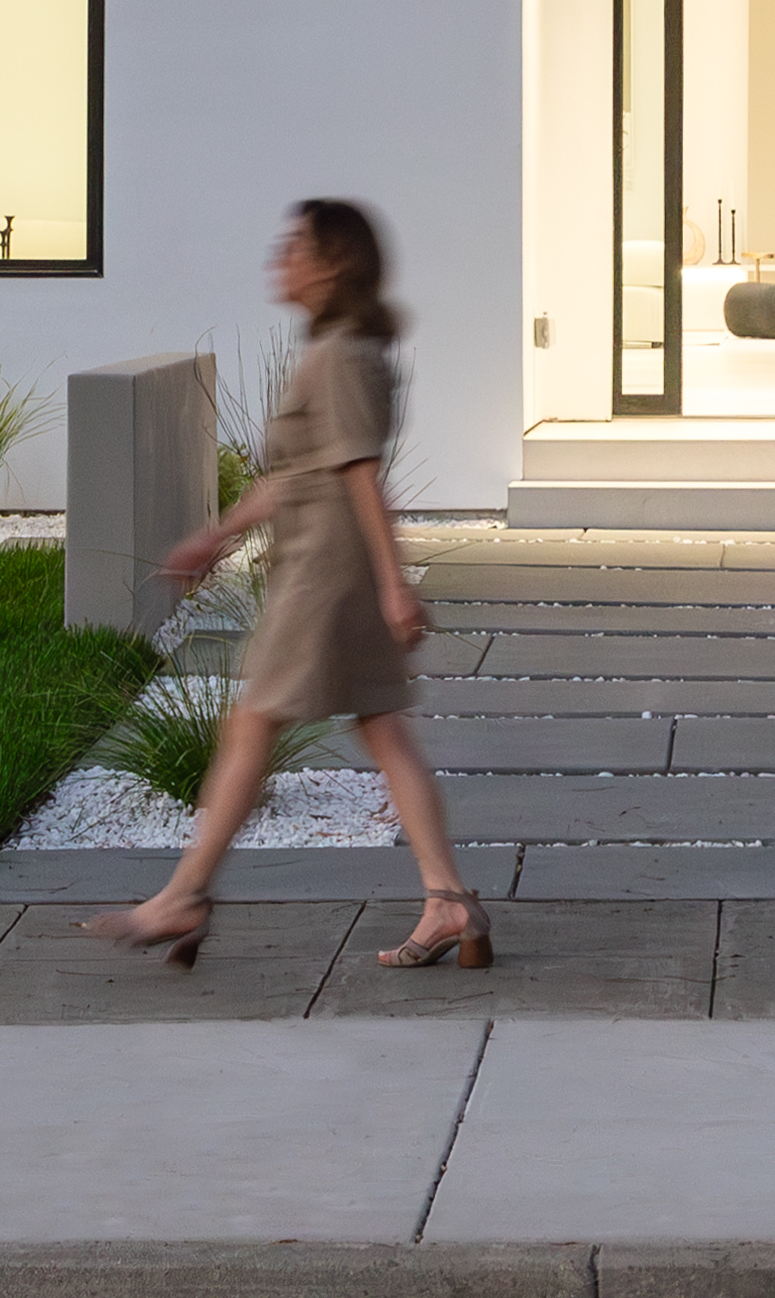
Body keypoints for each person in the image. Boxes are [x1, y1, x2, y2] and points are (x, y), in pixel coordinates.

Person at [82, 197, 488, 973]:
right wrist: (218, 532)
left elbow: (361, 473)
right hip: (336, 566)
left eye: (294, 246)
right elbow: (299, 473)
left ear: (333, 262)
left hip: (325, 575)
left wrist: (393, 582)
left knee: (251, 723)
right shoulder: (346, 348)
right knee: (382, 725)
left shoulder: (337, 355)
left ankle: (184, 895)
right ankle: (449, 901)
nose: (281, 258)